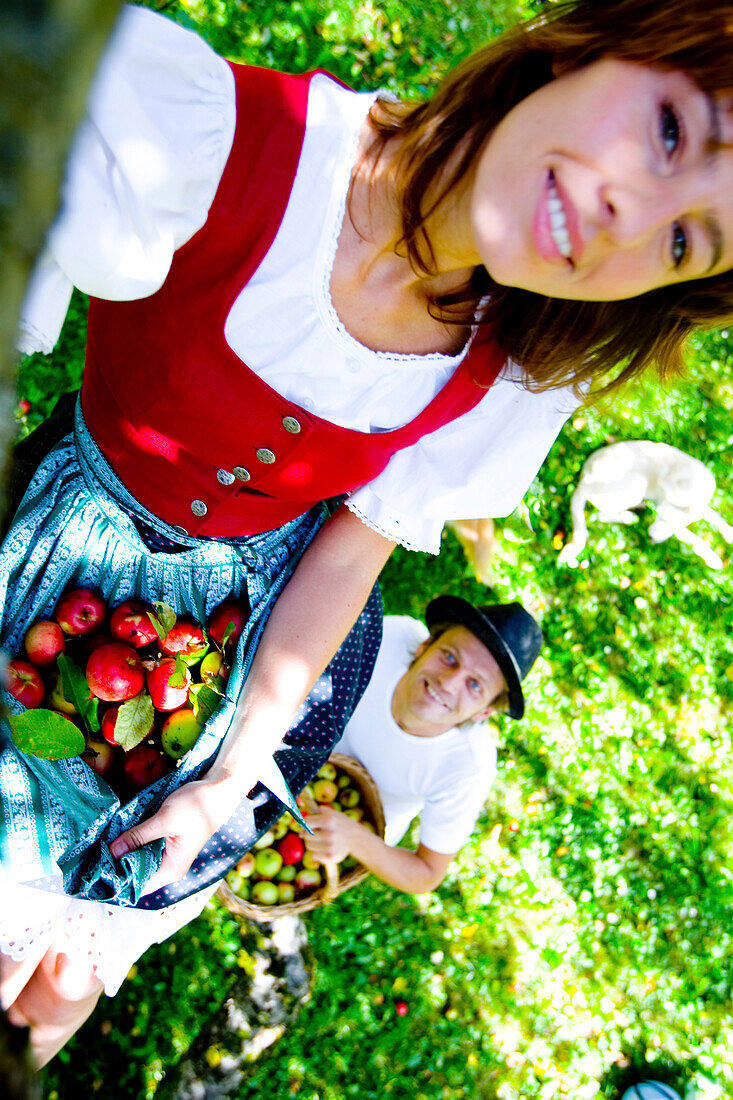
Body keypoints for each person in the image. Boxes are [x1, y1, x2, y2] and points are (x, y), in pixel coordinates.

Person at [1, 0, 732, 1066]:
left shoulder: (504, 386)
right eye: (670, 129)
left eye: (680, 241)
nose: (629, 218)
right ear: (594, 44)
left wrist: (228, 775)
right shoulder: (208, 137)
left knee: (64, 976)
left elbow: (349, 550)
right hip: (63, 546)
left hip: (235, 638)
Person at [304, 595, 541, 893]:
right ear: (425, 646)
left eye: (475, 684)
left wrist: (356, 839)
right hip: (302, 746)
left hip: (351, 827)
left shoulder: (468, 768)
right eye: (450, 657)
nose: (448, 682)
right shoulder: (388, 638)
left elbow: (427, 873)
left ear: (484, 712)